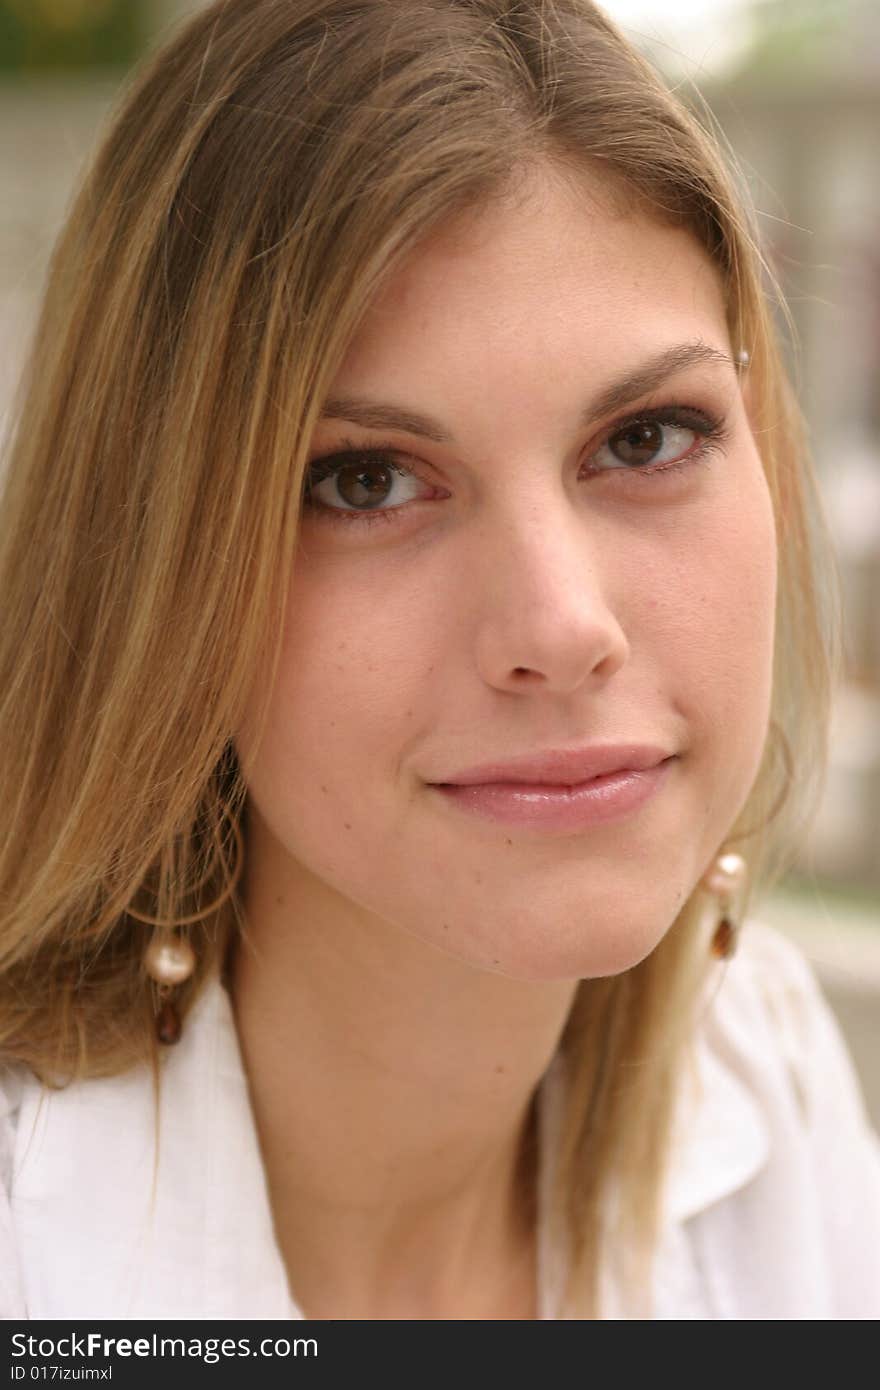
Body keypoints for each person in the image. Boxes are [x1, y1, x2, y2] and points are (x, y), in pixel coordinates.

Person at [0, 0, 878, 1322]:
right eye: (364, 480)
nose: (561, 623)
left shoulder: (762, 1070)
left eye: (645, 439)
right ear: (153, 556)